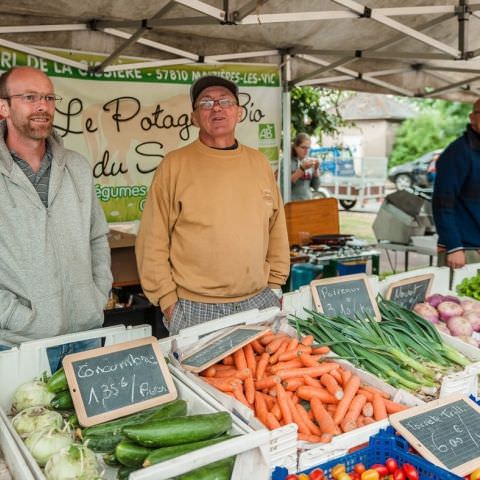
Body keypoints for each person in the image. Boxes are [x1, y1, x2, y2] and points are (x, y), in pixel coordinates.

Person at [136, 75, 290, 335]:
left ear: (239, 112)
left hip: (259, 301)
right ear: (194, 117)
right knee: (198, 377)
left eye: (225, 101)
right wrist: (168, 301)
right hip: (195, 307)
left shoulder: (259, 162)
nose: (216, 107)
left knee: (262, 375)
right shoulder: (174, 165)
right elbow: (153, 239)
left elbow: (276, 227)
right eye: (205, 102)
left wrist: (275, 284)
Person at [0, 66, 112, 368]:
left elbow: (97, 236)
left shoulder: (76, 166)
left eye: (49, 98)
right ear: (4, 107)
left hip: (85, 334)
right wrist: (14, 315)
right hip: (17, 342)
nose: (42, 107)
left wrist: (97, 292)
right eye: (30, 97)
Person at [432, 98, 480, 269]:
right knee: (457, 296)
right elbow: (442, 203)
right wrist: (453, 246)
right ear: (472, 117)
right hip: (463, 252)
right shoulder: (457, 153)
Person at [290, 132, 320, 201]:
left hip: (307, 203)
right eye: (303, 147)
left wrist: (316, 169)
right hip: (292, 204)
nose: (306, 151)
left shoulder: (309, 161)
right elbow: (285, 185)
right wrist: (302, 169)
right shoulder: (287, 161)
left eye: (308, 148)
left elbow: (316, 186)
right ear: (295, 147)